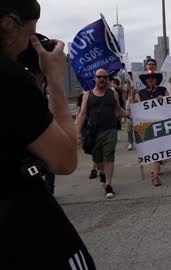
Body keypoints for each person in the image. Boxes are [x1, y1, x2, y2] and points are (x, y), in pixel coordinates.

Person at [0, 1, 96, 268]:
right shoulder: (9, 79)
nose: (29, 45)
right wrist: (54, 78)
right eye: (31, 33)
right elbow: (64, 160)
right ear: (9, 23)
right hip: (23, 228)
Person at [77, 68, 130, 199]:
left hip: (110, 130)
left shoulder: (113, 94)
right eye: (99, 77)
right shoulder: (87, 95)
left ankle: (108, 185)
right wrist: (77, 132)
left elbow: (118, 110)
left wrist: (131, 115)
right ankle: (101, 171)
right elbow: (82, 114)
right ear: (95, 79)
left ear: (108, 80)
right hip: (94, 132)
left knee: (109, 155)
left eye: (105, 77)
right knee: (98, 159)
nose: (102, 79)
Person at [135, 69, 169, 186]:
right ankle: (156, 170)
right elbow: (136, 107)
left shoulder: (163, 90)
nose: (150, 80)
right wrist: (131, 94)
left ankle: (155, 176)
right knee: (153, 151)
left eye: (152, 78)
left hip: (160, 125)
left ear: (156, 80)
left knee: (157, 150)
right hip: (147, 126)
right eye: (148, 78)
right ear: (145, 81)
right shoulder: (140, 93)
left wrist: (164, 100)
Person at [124, 72, 136, 150]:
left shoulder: (136, 84)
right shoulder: (126, 86)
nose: (128, 78)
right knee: (129, 125)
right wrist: (128, 88)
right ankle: (131, 143)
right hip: (129, 105)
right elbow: (125, 96)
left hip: (136, 104)